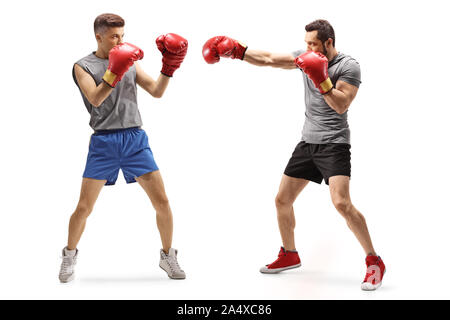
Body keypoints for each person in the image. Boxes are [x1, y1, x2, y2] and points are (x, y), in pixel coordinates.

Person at [202, 19, 385, 290]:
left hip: (334, 144)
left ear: (329, 42)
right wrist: (238, 51)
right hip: (307, 143)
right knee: (282, 199)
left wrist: (321, 78)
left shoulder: (349, 66)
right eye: (306, 44)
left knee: (341, 203)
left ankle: (374, 261)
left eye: (314, 44)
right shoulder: (305, 57)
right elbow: (267, 59)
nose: (309, 48)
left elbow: (341, 104)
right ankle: (289, 254)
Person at [59, 13, 188, 283]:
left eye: (123, 36)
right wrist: (113, 71)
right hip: (103, 142)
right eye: (114, 36)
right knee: (84, 207)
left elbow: (156, 90)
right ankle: (69, 255)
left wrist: (168, 67)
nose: (120, 41)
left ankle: (168, 255)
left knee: (162, 201)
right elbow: (95, 98)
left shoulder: (129, 60)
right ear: (99, 36)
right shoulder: (82, 66)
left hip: (135, 140)